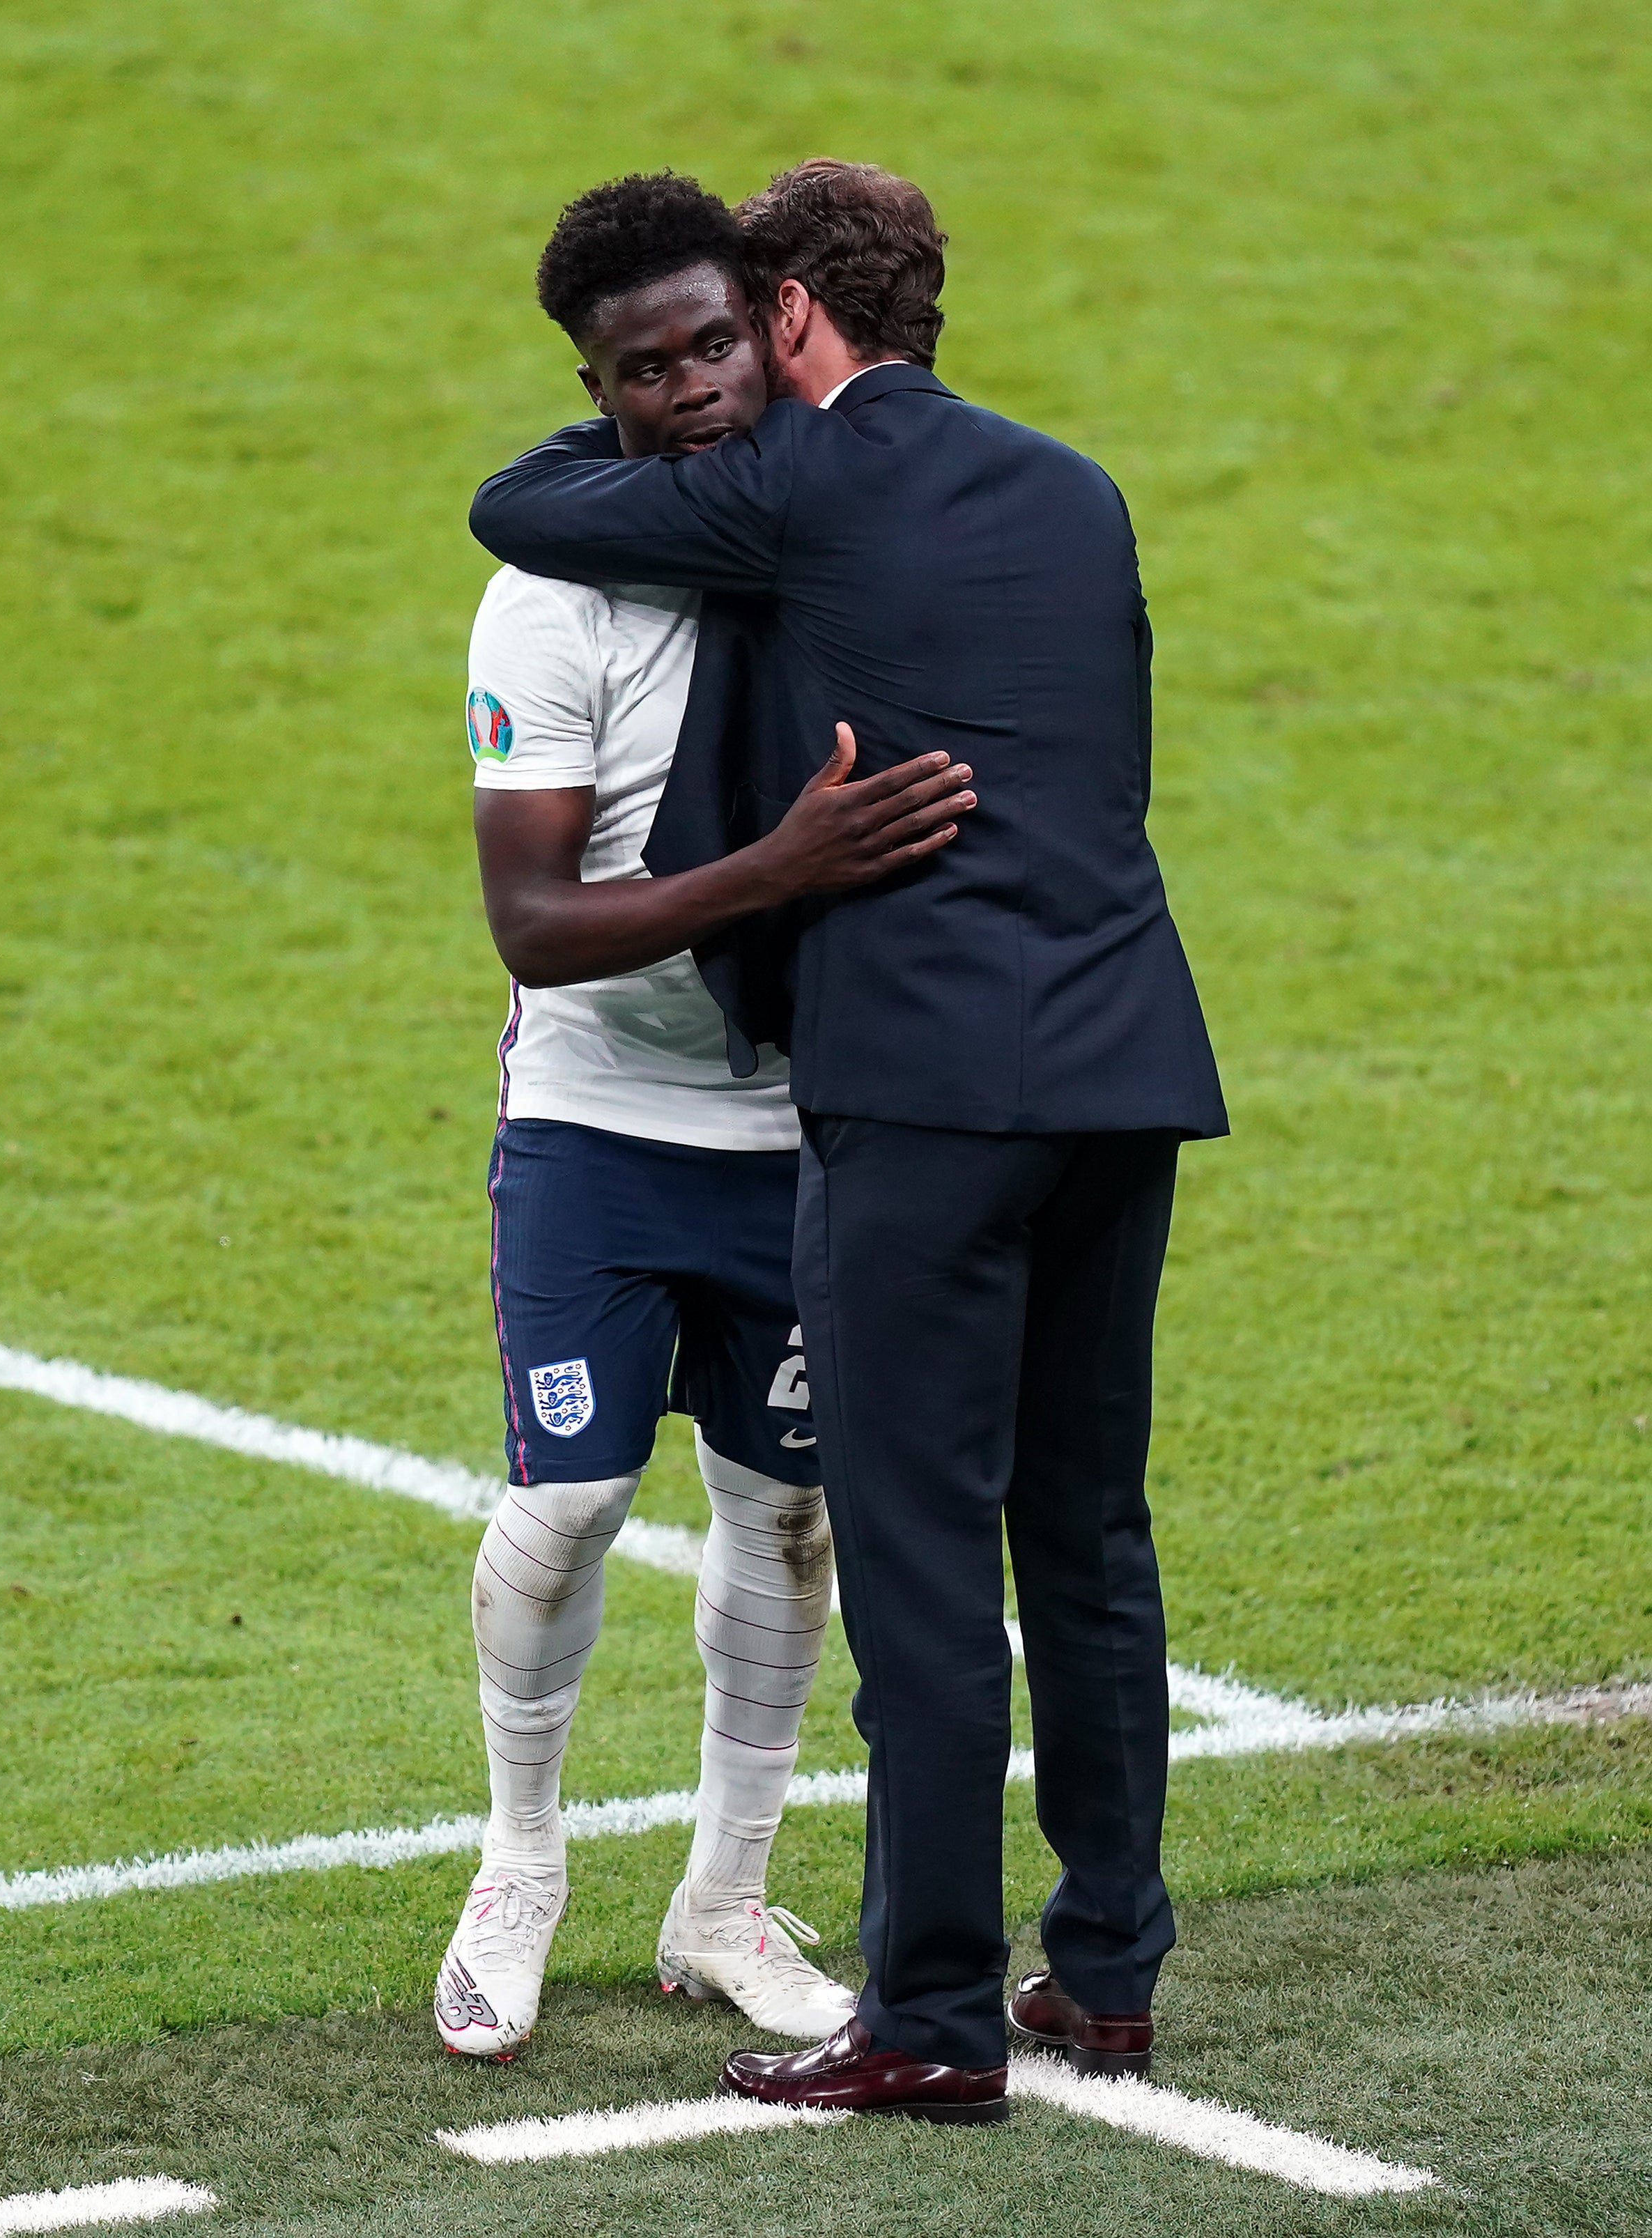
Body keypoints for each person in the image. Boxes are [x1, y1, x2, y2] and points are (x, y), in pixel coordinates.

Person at [468, 160, 1228, 2120]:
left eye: (734, 329)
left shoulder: (800, 487)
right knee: (1092, 1531)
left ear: (791, 312)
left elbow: (524, 504)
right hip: (1126, 1060)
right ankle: (1114, 1969)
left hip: (920, 1100)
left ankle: (932, 2017)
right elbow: (1120, 750)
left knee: (910, 1566)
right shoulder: (1076, 487)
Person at [435, 171, 975, 2063]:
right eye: (638, 369)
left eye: (711, 343)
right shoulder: (550, 593)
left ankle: (726, 1895)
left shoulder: (842, 535)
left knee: (790, 1510)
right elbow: (534, 925)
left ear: (774, 321)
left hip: (801, 1125)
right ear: (595, 389)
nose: (686, 389)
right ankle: (519, 1856)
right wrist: (784, 864)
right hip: (595, 1122)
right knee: (571, 1497)